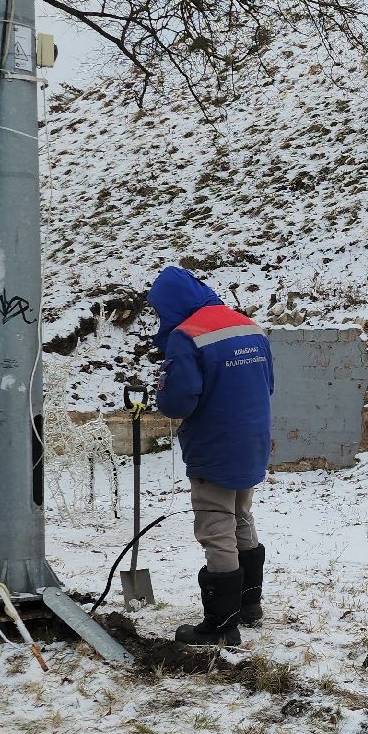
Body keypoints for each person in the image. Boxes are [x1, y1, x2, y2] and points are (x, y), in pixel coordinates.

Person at [146, 267, 274, 647]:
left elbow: (178, 401)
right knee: (241, 516)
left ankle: (221, 624)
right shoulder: (247, 325)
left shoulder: (187, 336)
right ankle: (249, 606)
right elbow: (268, 383)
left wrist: (162, 385)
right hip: (253, 438)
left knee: (216, 526)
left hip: (215, 442)